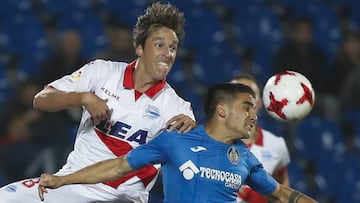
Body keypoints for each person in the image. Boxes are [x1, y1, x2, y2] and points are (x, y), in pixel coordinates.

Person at [0, 2, 197, 203]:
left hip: (124, 197)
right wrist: (82, 97)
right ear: (139, 47)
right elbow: (41, 100)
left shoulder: (178, 108)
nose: (168, 53)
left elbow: (189, 163)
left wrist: (193, 137)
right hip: (71, 184)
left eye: (173, 48)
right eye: (159, 45)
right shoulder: (103, 72)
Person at [38, 83, 317, 203]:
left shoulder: (244, 158)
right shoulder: (175, 142)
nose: (253, 116)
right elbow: (119, 166)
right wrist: (64, 180)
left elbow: (281, 195)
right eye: (246, 107)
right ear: (222, 110)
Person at [230, 75, 291, 203]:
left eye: (250, 96)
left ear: (258, 103)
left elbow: (282, 185)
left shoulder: (276, 145)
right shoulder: (211, 142)